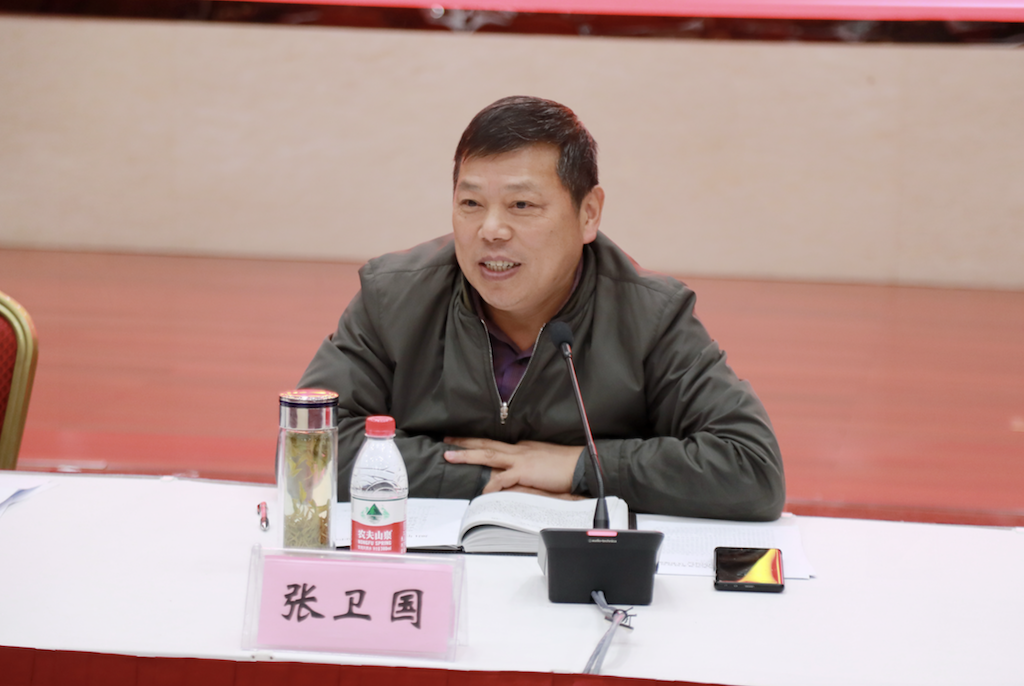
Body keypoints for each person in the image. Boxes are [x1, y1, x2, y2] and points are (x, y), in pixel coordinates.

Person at [299, 95, 785, 521]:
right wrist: (492, 479)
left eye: (522, 206)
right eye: (470, 204)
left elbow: (752, 468)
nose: (491, 230)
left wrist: (579, 466)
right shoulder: (394, 296)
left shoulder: (650, 316)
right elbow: (309, 451)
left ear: (588, 213)